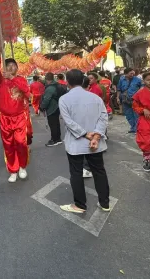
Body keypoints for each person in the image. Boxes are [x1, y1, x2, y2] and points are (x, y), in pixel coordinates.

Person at [59, 69, 111, 213]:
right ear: (83, 81)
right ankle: (105, 203)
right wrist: (96, 136)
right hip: (95, 143)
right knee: (99, 171)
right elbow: (103, 117)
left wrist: (85, 134)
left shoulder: (64, 99)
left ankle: (80, 205)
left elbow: (68, 122)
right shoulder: (95, 98)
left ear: (67, 82)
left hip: (76, 143)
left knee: (76, 173)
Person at [0, 55, 30, 182]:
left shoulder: (21, 80)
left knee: (21, 143)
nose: (10, 68)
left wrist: (13, 78)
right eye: (8, 66)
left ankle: (22, 167)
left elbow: (26, 90)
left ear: (17, 68)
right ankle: (13, 170)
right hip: (5, 119)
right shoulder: (0, 81)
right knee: (8, 146)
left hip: (19, 118)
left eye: (13, 66)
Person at [132, 72, 150, 171]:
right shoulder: (140, 93)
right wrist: (143, 110)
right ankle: (146, 159)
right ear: (144, 81)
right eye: (148, 80)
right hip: (145, 120)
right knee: (146, 141)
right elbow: (135, 106)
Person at [40, 73, 63, 147]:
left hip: (51, 108)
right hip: (57, 107)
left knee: (52, 125)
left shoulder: (50, 88)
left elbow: (46, 99)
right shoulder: (57, 85)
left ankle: (54, 140)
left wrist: (42, 107)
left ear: (46, 79)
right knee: (56, 124)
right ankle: (58, 139)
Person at [117, 68, 142, 133]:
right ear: (126, 73)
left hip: (135, 100)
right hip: (125, 100)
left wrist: (138, 94)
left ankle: (137, 128)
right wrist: (117, 98)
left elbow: (142, 87)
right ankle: (133, 127)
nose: (132, 75)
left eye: (133, 73)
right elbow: (119, 89)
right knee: (128, 114)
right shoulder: (122, 80)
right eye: (131, 73)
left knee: (136, 114)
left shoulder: (137, 80)